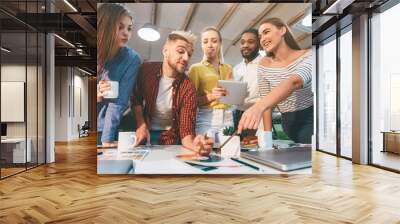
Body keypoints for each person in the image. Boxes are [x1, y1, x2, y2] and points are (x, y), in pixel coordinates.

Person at [132, 31, 213, 156]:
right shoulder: (146, 70)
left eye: (189, 54)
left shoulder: (188, 87)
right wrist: (141, 124)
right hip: (145, 133)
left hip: (171, 138)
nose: (186, 58)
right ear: (165, 51)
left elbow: (186, 133)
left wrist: (196, 146)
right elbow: (136, 99)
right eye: (181, 52)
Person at [238, 18, 313, 145]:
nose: (263, 39)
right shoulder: (264, 64)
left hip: (311, 117)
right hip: (289, 123)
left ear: (282, 30)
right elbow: (267, 104)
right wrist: (267, 138)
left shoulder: (309, 55)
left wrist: (258, 107)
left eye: (266, 32)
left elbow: (295, 81)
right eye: (260, 36)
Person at [96, 3, 142, 147]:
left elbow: (119, 102)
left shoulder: (132, 59)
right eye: (120, 27)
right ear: (105, 26)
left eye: (129, 28)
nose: (126, 33)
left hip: (108, 128)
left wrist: (107, 138)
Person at [188, 26, 233, 144]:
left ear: (220, 44)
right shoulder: (196, 68)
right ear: (202, 45)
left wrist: (233, 93)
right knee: (205, 155)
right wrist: (211, 96)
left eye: (214, 41)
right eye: (205, 41)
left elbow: (231, 99)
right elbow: (190, 102)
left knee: (230, 155)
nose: (210, 45)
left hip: (228, 117)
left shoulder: (228, 68)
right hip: (207, 118)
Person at [232, 28, 263, 137]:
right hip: (237, 113)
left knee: (254, 148)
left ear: (259, 44)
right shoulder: (236, 68)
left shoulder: (265, 64)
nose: (245, 45)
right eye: (242, 42)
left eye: (250, 42)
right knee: (239, 147)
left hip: (256, 114)